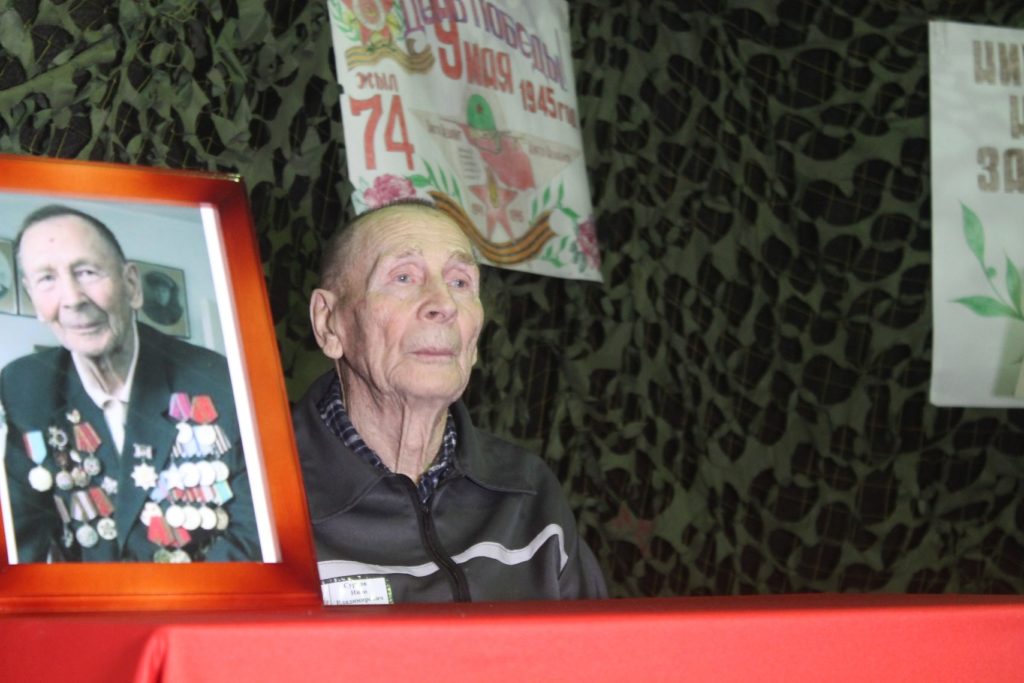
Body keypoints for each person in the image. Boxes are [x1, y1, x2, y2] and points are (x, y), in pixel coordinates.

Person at [292, 198, 607, 604]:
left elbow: (599, 644)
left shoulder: (528, 495)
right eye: (403, 277)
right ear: (328, 323)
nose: (443, 305)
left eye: (460, 283)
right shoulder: (258, 502)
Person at [0, 205, 259, 563]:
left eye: (87, 272)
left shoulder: (218, 379)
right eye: (47, 279)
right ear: (34, 301)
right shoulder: (23, 386)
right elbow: (22, 540)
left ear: (132, 286)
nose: (72, 299)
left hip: (203, 593)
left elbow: (253, 533)